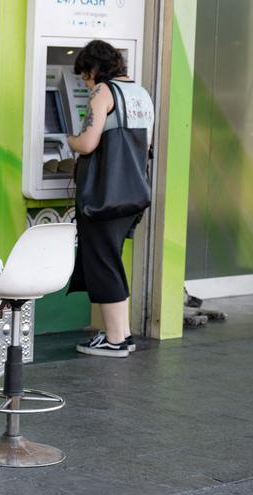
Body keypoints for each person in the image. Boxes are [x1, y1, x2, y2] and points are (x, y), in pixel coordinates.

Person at [66, 40, 154, 358]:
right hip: (132, 195)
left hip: (104, 196)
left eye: (85, 76)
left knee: (103, 263)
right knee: (111, 260)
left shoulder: (103, 92)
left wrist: (69, 140)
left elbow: (89, 143)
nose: (86, 83)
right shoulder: (141, 94)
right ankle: (123, 335)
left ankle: (115, 340)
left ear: (94, 69)